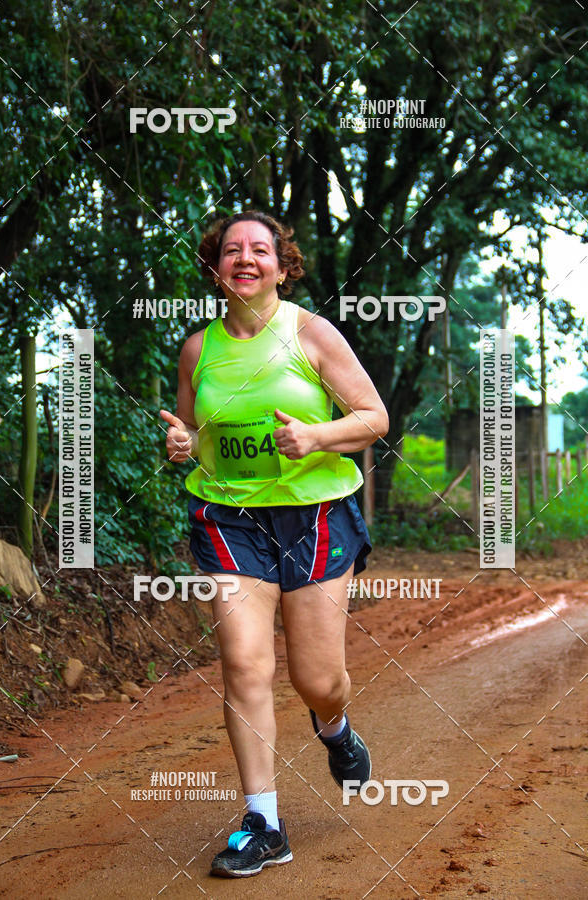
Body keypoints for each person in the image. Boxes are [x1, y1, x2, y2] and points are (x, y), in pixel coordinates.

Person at [160, 210, 389, 878]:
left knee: (316, 680)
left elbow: (374, 417)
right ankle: (262, 823)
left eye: (260, 249)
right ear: (215, 268)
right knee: (243, 662)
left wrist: (316, 436)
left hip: (315, 517)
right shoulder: (198, 349)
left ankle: (335, 727)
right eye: (232, 250)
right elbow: (194, 431)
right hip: (230, 519)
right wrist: (182, 443)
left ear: (282, 268)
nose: (245, 258)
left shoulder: (311, 333)